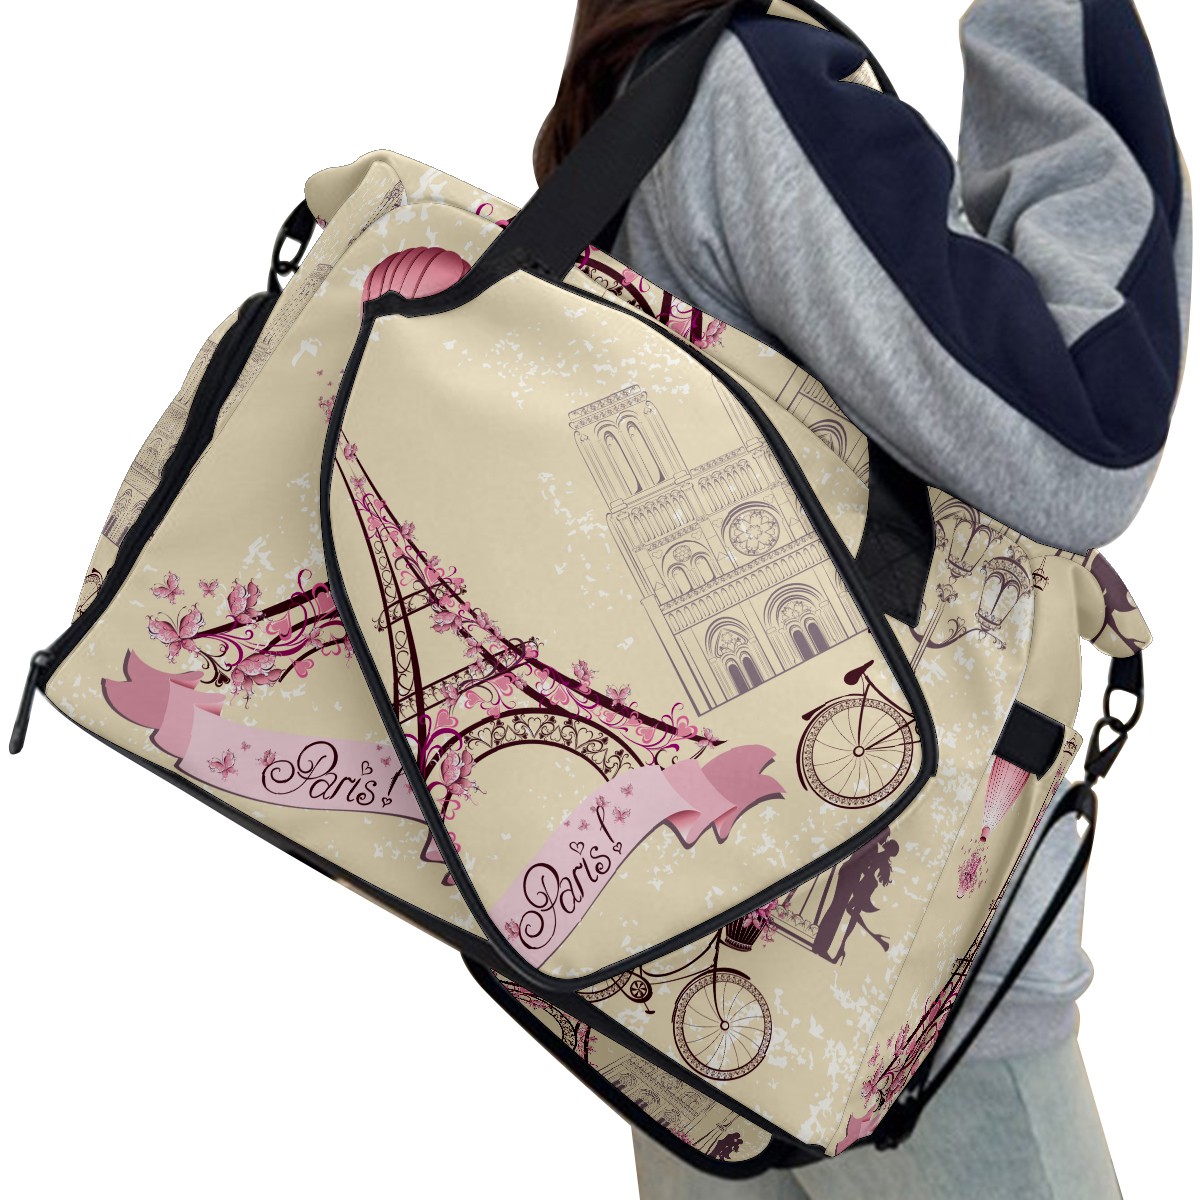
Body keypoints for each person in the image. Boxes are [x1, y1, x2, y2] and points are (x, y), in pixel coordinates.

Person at [533, 1, 1190, 1196]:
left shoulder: (626, 129)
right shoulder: (755, 90)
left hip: (685, 984)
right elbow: (1087, 432)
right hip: (903, 997)